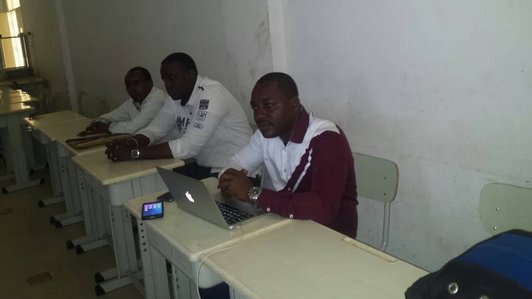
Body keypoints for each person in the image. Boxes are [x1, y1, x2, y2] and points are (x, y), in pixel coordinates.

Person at [218, 72, 358, 238]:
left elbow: (322, 208)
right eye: (255, 108)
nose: (259, 116)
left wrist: (254, 193)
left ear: (293, 104)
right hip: (289, 226)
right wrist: (230, 182)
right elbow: (232, 166)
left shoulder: (326, 139)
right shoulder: (265, 136)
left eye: (268, 106)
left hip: (331, 235)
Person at [105, 52, 253, 179]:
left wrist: (134, 154)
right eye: (164, 79)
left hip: (236, 172)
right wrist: (132, 143)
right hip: (206, 167)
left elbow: (189, 147)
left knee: (172, 201)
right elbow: (155, 130)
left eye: (172, 78)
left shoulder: (211, 94)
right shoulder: (175, 97)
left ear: (191, 75)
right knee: (158, 186)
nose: (167, 84)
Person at [79, 67, 166, 136]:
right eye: (128, 85)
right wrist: (101, 122)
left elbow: (133, 128)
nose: (132, 89)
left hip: (167, 151)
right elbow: (110, 116)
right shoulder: (133, 102)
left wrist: (108, 127)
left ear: (150, 83)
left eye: (137, 83)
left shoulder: (157, 98)